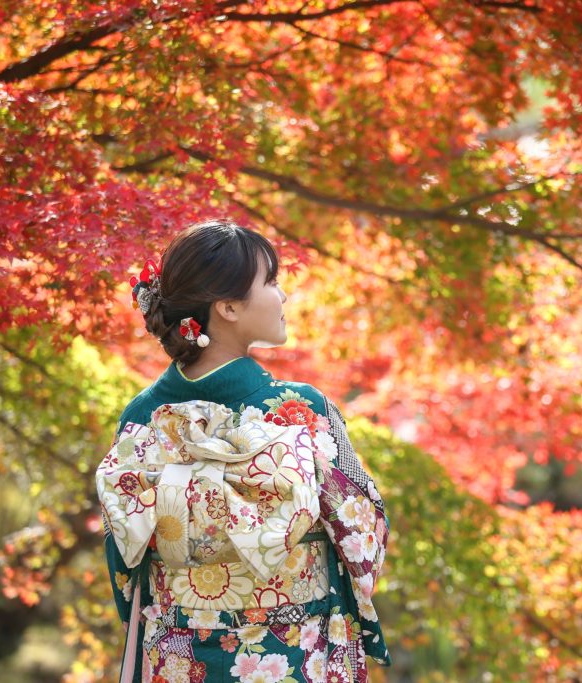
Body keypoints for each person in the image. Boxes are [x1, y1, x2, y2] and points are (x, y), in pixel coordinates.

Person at [95, 219, 390, 683]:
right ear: (228, 307)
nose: (283, 295)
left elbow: (122, 556)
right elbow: (360, 529)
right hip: (293, 650)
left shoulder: (141, 416)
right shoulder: (301, 408)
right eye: (270, 281)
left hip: (178, 652)